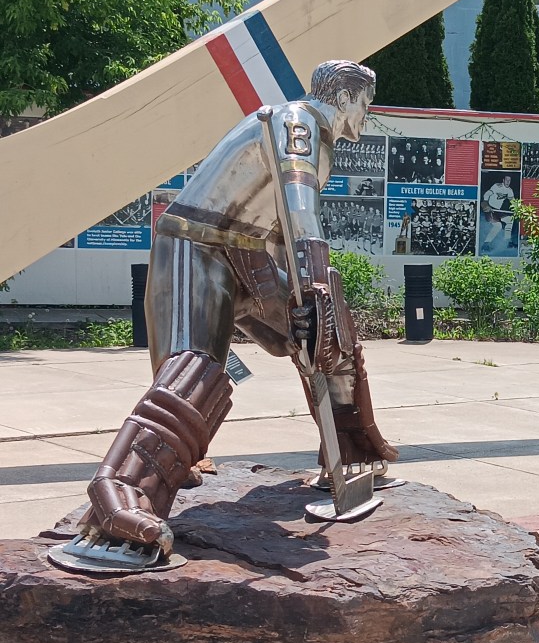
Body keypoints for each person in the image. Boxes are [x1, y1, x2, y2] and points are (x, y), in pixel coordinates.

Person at [67, 60, 398, 569]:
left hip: (249, 254)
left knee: (330, 336)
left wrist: (308, 305)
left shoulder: (321, 142)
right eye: (365, 104)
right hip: (196, 245)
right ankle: (120, 499)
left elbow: (279, 227)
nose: (366, 115)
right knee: (195, 371)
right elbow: (300, 209)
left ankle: (353, 451)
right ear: (346, 97)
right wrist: (313, 282)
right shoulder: (296, 122)